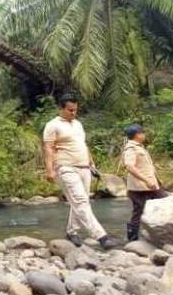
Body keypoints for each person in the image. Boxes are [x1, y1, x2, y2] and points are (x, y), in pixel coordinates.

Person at [43, 94, 120, 250]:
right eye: (70, 110)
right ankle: (101, 237)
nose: (73, 113)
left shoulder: (78, 124)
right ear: (62, 108)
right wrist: (50, 170)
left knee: (80, 201)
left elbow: (83, 145)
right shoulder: (52, 125)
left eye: (75, 110)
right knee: (80, 202)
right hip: (65, 167)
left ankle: (71, 232)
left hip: (84, 167)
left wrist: (91, 163)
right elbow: (48, 148)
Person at [122, 124, 168, 241]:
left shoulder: (139, 147)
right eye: (142, 133)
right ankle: (133, 238)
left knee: (161, 205)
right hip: (140, 187)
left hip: (149, 185)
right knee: (142, 210)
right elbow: (129, 166)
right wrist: (146, 180)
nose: (144, 135)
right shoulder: (131, 148)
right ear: (137, 135)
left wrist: (156, 179)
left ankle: (155, 234)